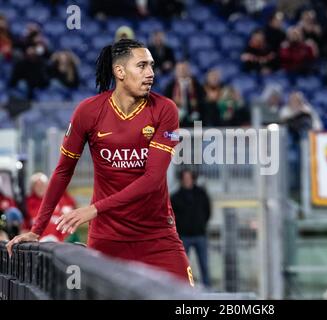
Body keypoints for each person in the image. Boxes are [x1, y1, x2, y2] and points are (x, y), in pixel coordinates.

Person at [6, 39, 194, 287]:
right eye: (142, 66)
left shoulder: (165, 109)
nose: (151, 74)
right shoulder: (89, 111)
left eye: (152, 66)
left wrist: (94, 209)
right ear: (120, 72)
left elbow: (152, 179)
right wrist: (37, 229)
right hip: (107, 238)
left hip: (157, 236)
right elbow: (63, 171)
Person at [171, 169, 211, 287]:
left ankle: (207, 288)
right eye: (185, 178)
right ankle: (183, 288)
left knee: (204, 264)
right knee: (183, 265)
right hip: (184, 236)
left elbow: (207, 211)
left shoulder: (201, 194)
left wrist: (202, 224)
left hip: (200, 234)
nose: (187, 180)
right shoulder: (176, 197)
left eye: (189, 177)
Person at [24, 172, 76, 242]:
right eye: (37, 185)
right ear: (33, 187)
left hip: (58, 240)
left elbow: (67, 220)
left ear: (47, 186)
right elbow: (25, 224)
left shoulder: (57, 199)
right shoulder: (28, 202)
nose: (40, 187)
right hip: (36, 242)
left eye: (42, 185)